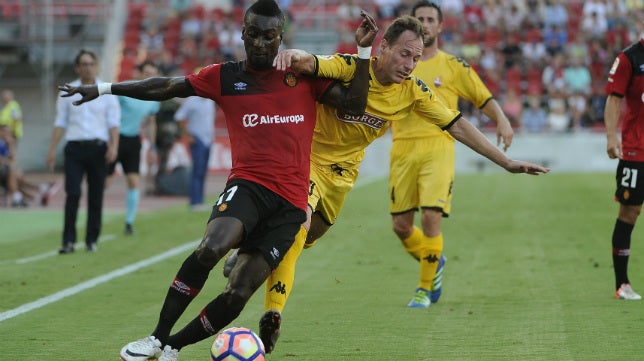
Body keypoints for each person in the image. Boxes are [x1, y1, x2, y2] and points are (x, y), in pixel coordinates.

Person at [58, 2, 377, 360]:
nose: (260, 43)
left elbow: (354, 105)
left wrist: (363, 50)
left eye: (268, 36)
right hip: (249, 185)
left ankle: (174, 348)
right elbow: (167, 86)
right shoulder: (225, 76)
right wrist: (104, 88)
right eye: (253, 34)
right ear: (242, 33)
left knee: (238, 292)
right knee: (212, 246)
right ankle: (157, 338)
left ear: (280, 37)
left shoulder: (301, 75)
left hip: (290, 203)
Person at [231, 11, 548, 354]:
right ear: (382, 47)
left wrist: (506, 163)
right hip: (304, 163)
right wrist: (289, 55)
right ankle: (272, 316)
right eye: (404, 54)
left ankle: (254, 249)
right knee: (296, 226)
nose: (410, 64)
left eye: (415, 57)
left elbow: (456, 124)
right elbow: (311, 62)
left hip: (343, 175)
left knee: (304, 238)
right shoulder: (351, 66)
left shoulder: (412, 91)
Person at [389, 1, 514, 308]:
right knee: (401, 226)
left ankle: (423, 289)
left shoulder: (453, 66)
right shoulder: (399, 62)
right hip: (402, 147)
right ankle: (434, 259)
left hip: (439, 145)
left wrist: (502, 119)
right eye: (420, 19)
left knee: (431, 217)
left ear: (440, 26)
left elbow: (483, 97)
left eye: (431, 19)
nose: (426, 23)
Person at [47, 48, 120, 254]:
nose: (88, 68)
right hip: (75, 149)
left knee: (96, 195)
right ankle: (68, 241)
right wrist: (52, 149)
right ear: (77, 68)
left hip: (98, 148)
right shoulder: (68, 90)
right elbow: (60, 121)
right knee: (73, 193)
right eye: (84, 64)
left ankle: (91, 239)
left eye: (91, 64)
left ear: (96, 66)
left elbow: (113, 123)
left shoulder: (106, 91)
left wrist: (114, 146)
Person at [604, 31, 644, 301]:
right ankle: (622, 284)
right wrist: (610, 135)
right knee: (629, 213)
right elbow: (614, 98)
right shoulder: (629, 58)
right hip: (636, 150)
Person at [107, 60, 161, 235]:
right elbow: (109, 111)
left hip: (133, 142)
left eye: (152, 74)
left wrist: (152, 147)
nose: (149, 77)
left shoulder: (154, 98)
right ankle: (95, 217)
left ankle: (129, 223)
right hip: (116, 139)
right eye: (146, 73)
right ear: (139, 73)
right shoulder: (125, 89)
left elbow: (151, 123)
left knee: (133, 182)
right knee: (105, 182)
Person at [173, 69, 216, 211]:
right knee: (197, 170)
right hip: (197, 139)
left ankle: (200, 200)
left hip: (208, 138)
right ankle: (194, 202)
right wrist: (187, 135)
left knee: (202, 170)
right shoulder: (192, 100)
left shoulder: (210, 100)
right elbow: (179, 117)